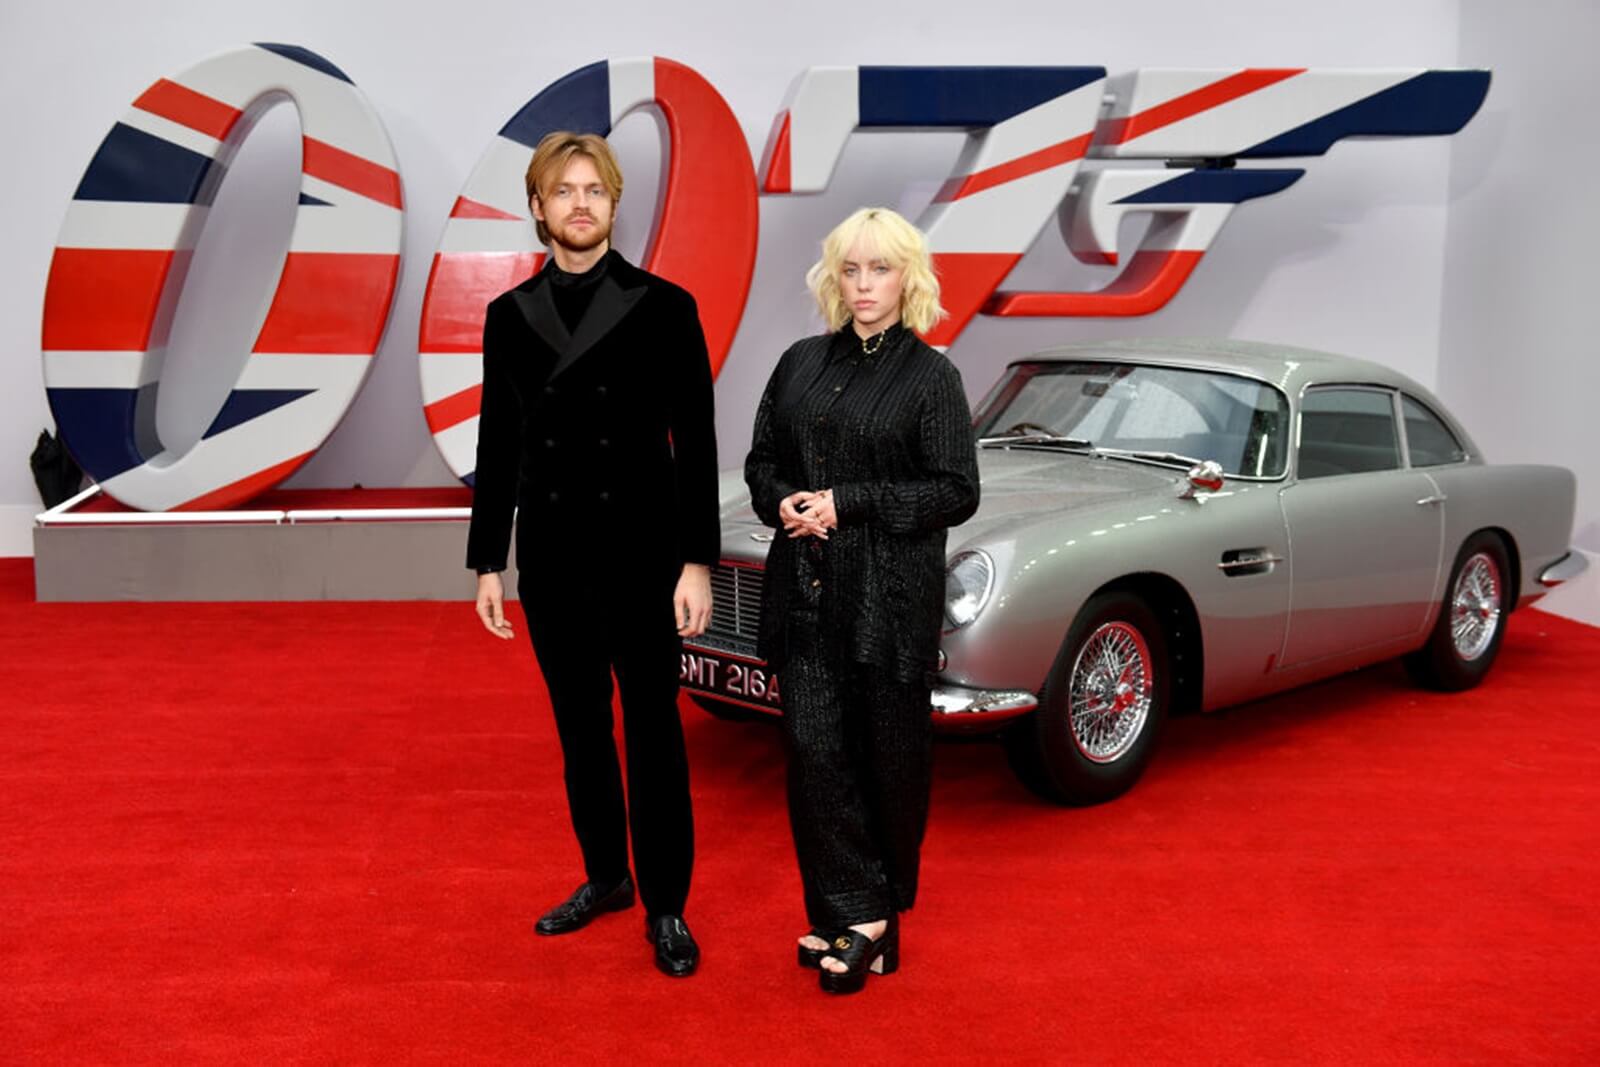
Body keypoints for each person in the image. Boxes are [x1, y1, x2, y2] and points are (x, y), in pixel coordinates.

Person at [466, 131, 718, 978]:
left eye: (594, 190)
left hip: (645, 557)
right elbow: (498, 444)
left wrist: (697, 562)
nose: (580, 203)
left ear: (614, 205)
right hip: (552, 556)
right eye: (563, 190)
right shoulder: (507, 318)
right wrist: (486, 561)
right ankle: (606, 876)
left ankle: (668, 905)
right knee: (581, 730)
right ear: (538, 208)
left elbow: (698, 442)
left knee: (653, 732)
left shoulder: (666, 306)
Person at [744, 207, 980, 994]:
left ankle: (867, 916)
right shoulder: (800, 361)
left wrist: (851, 501)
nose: (864, 284)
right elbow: (762, 459)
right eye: (851, 269)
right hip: (806, 595)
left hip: (888, 601)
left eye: (880, 268)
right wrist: (783, 501)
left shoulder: (932, 376)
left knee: (889, 760)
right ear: (833, 278)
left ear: (908, 276)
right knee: (814, 756)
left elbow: (956, 490)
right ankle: (859, 912)